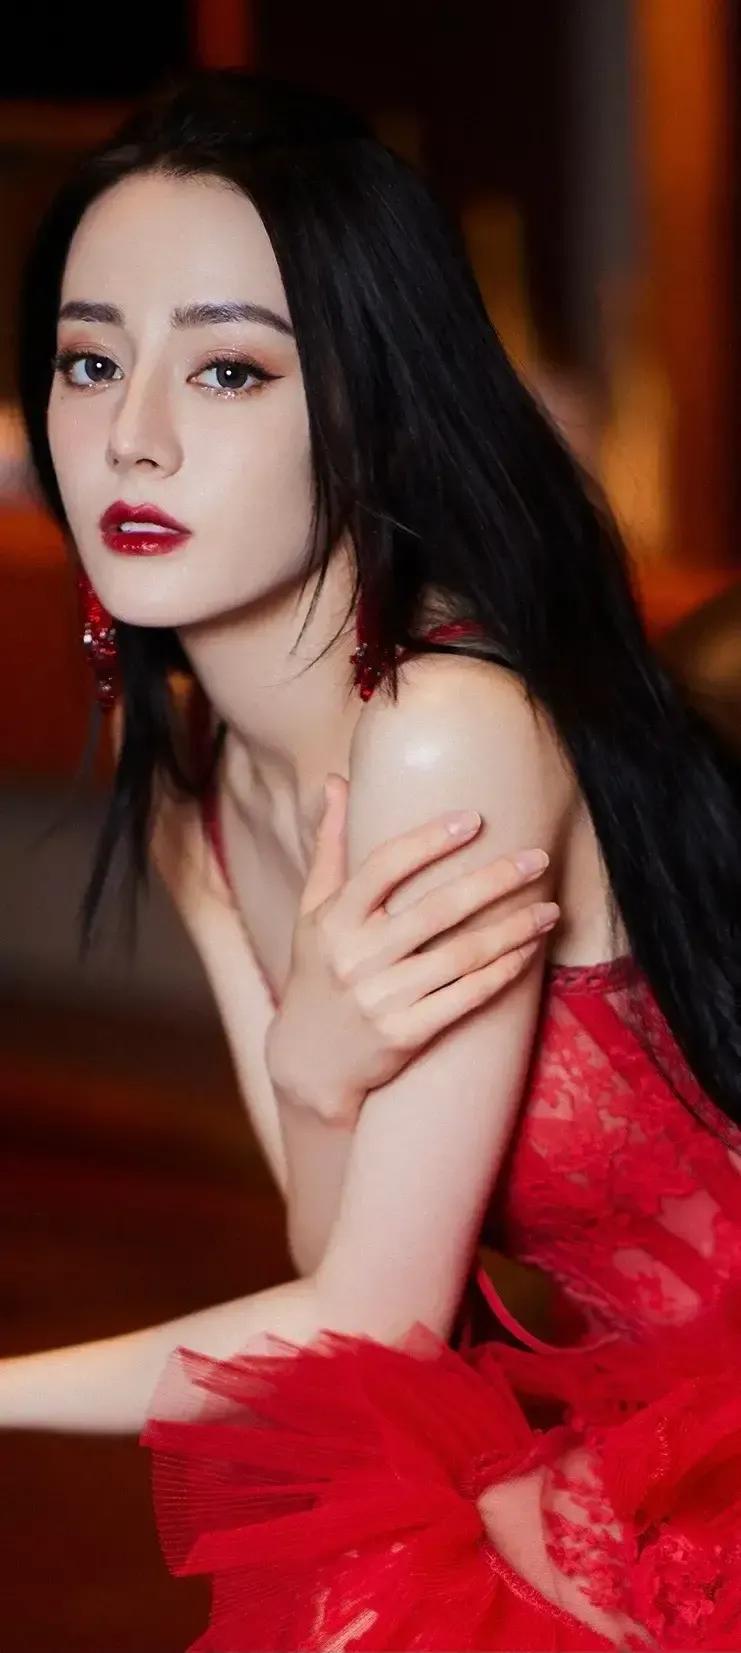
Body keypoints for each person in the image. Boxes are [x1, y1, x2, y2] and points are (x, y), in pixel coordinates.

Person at [6, 69, 741, 1651]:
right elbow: (346, 1282)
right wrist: (315, 1074)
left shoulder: (442, 730)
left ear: (373, 405)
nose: (130, 439)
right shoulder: (200, 794)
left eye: (227, 369)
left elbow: (369, 1326)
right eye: (88, 359)